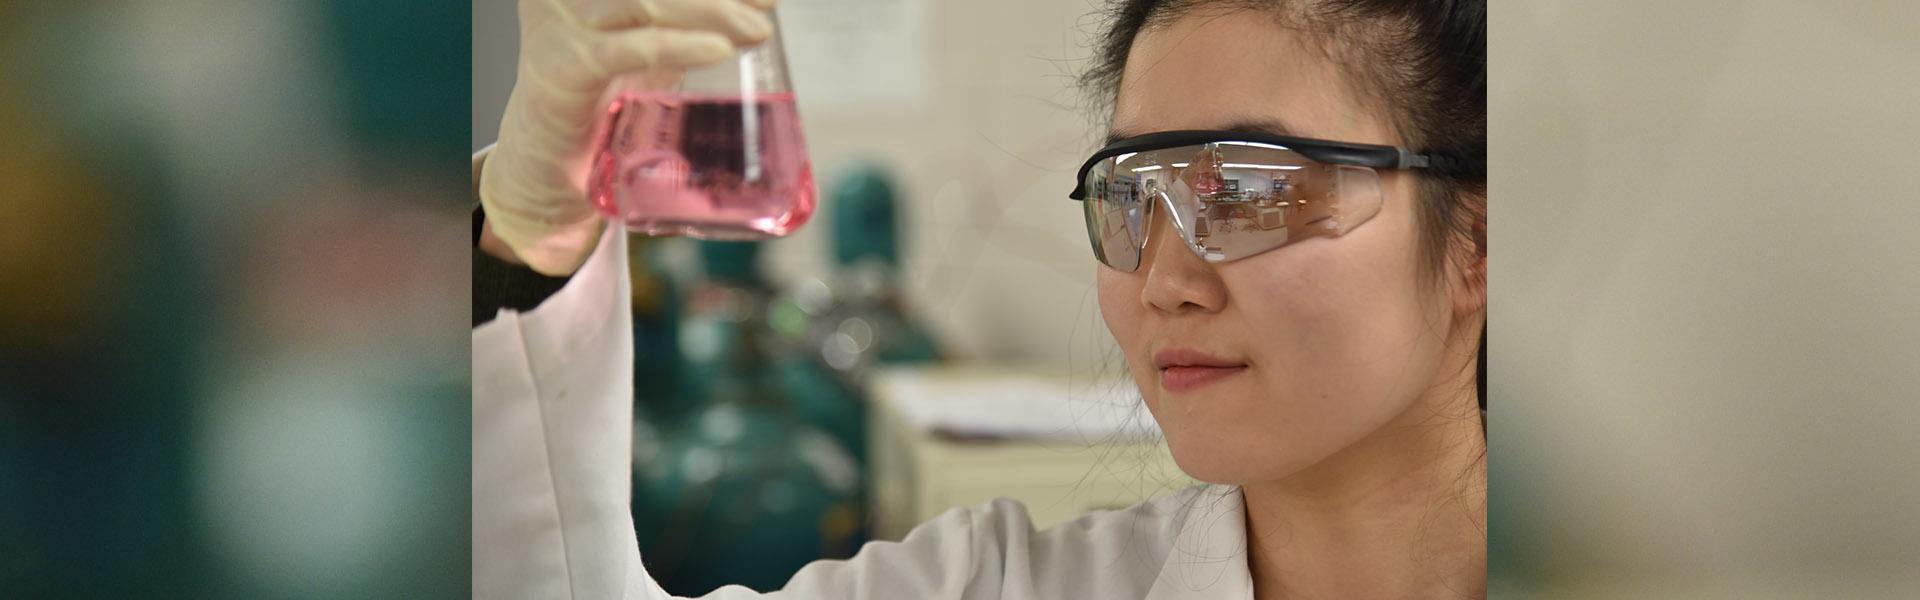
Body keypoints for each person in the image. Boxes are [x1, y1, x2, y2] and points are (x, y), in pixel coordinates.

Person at [473, 0, 1487, 597]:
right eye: (1130, 197)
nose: (1164, 283)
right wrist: (528, 236)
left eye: (1249, 190)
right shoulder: (1000, 584)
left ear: (1479, 237)